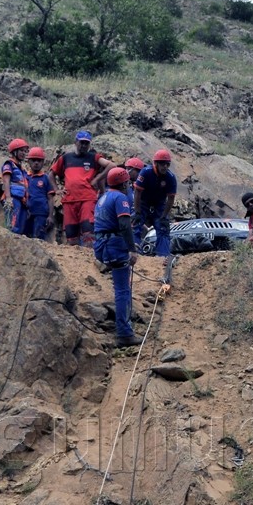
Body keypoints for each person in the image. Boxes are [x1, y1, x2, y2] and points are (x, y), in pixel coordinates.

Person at [94, 167, 144, 347]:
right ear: (124, 183)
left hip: (102, 245)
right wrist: (132, 249)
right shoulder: (121, 198)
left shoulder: (103, 197)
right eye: (128, 183)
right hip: (114, 246)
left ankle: (123, 327)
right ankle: (124, 333)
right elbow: (124, 225)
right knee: (123, 290)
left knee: (120, 287)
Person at [51, 131, 114, 248]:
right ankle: (75, 262)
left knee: (88, 231)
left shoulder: (93, 157)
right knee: (71, 233)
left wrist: (97, 179)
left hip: (87, 198)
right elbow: (51, 174)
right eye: (82, 142)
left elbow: (111, 165)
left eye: (87, 143)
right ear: (76, 142)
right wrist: (56, 190)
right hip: (69, 199)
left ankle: (90, 258)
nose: (84, 145)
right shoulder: (65, 158)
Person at [133, 149, 177, 256]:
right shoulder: (146, 172)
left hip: (159, 205)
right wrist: (137, 211)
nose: (165, 166)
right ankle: (133, 251)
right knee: (135, 224)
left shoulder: (171, 178)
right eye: (162, 163)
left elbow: (170, 199)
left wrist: (164, 216)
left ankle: (162, 256)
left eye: (167, 164)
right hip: (143, 202)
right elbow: (137, 192)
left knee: (163, 228)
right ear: (156, 163)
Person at [26, 147, 55, 242]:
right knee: (26, 237)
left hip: (41, 213)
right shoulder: (25, 177)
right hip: (27, 212)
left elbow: (50, 198)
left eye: (39, 160)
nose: (36, 163)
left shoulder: (46, 178)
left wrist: (50, 216)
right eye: (33, 160)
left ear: (43, 162)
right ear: (28, 162)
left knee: (39, 238)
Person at [2, 139, 30, 235]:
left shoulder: (22, 169)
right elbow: (6, 180)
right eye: (21, 150)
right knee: (12, 227)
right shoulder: (9, 164)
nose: (23, 153)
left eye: (24, 151)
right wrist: (8, 198)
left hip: (22, 201)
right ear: (14, 152)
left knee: (20, 229)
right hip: (14, 199)